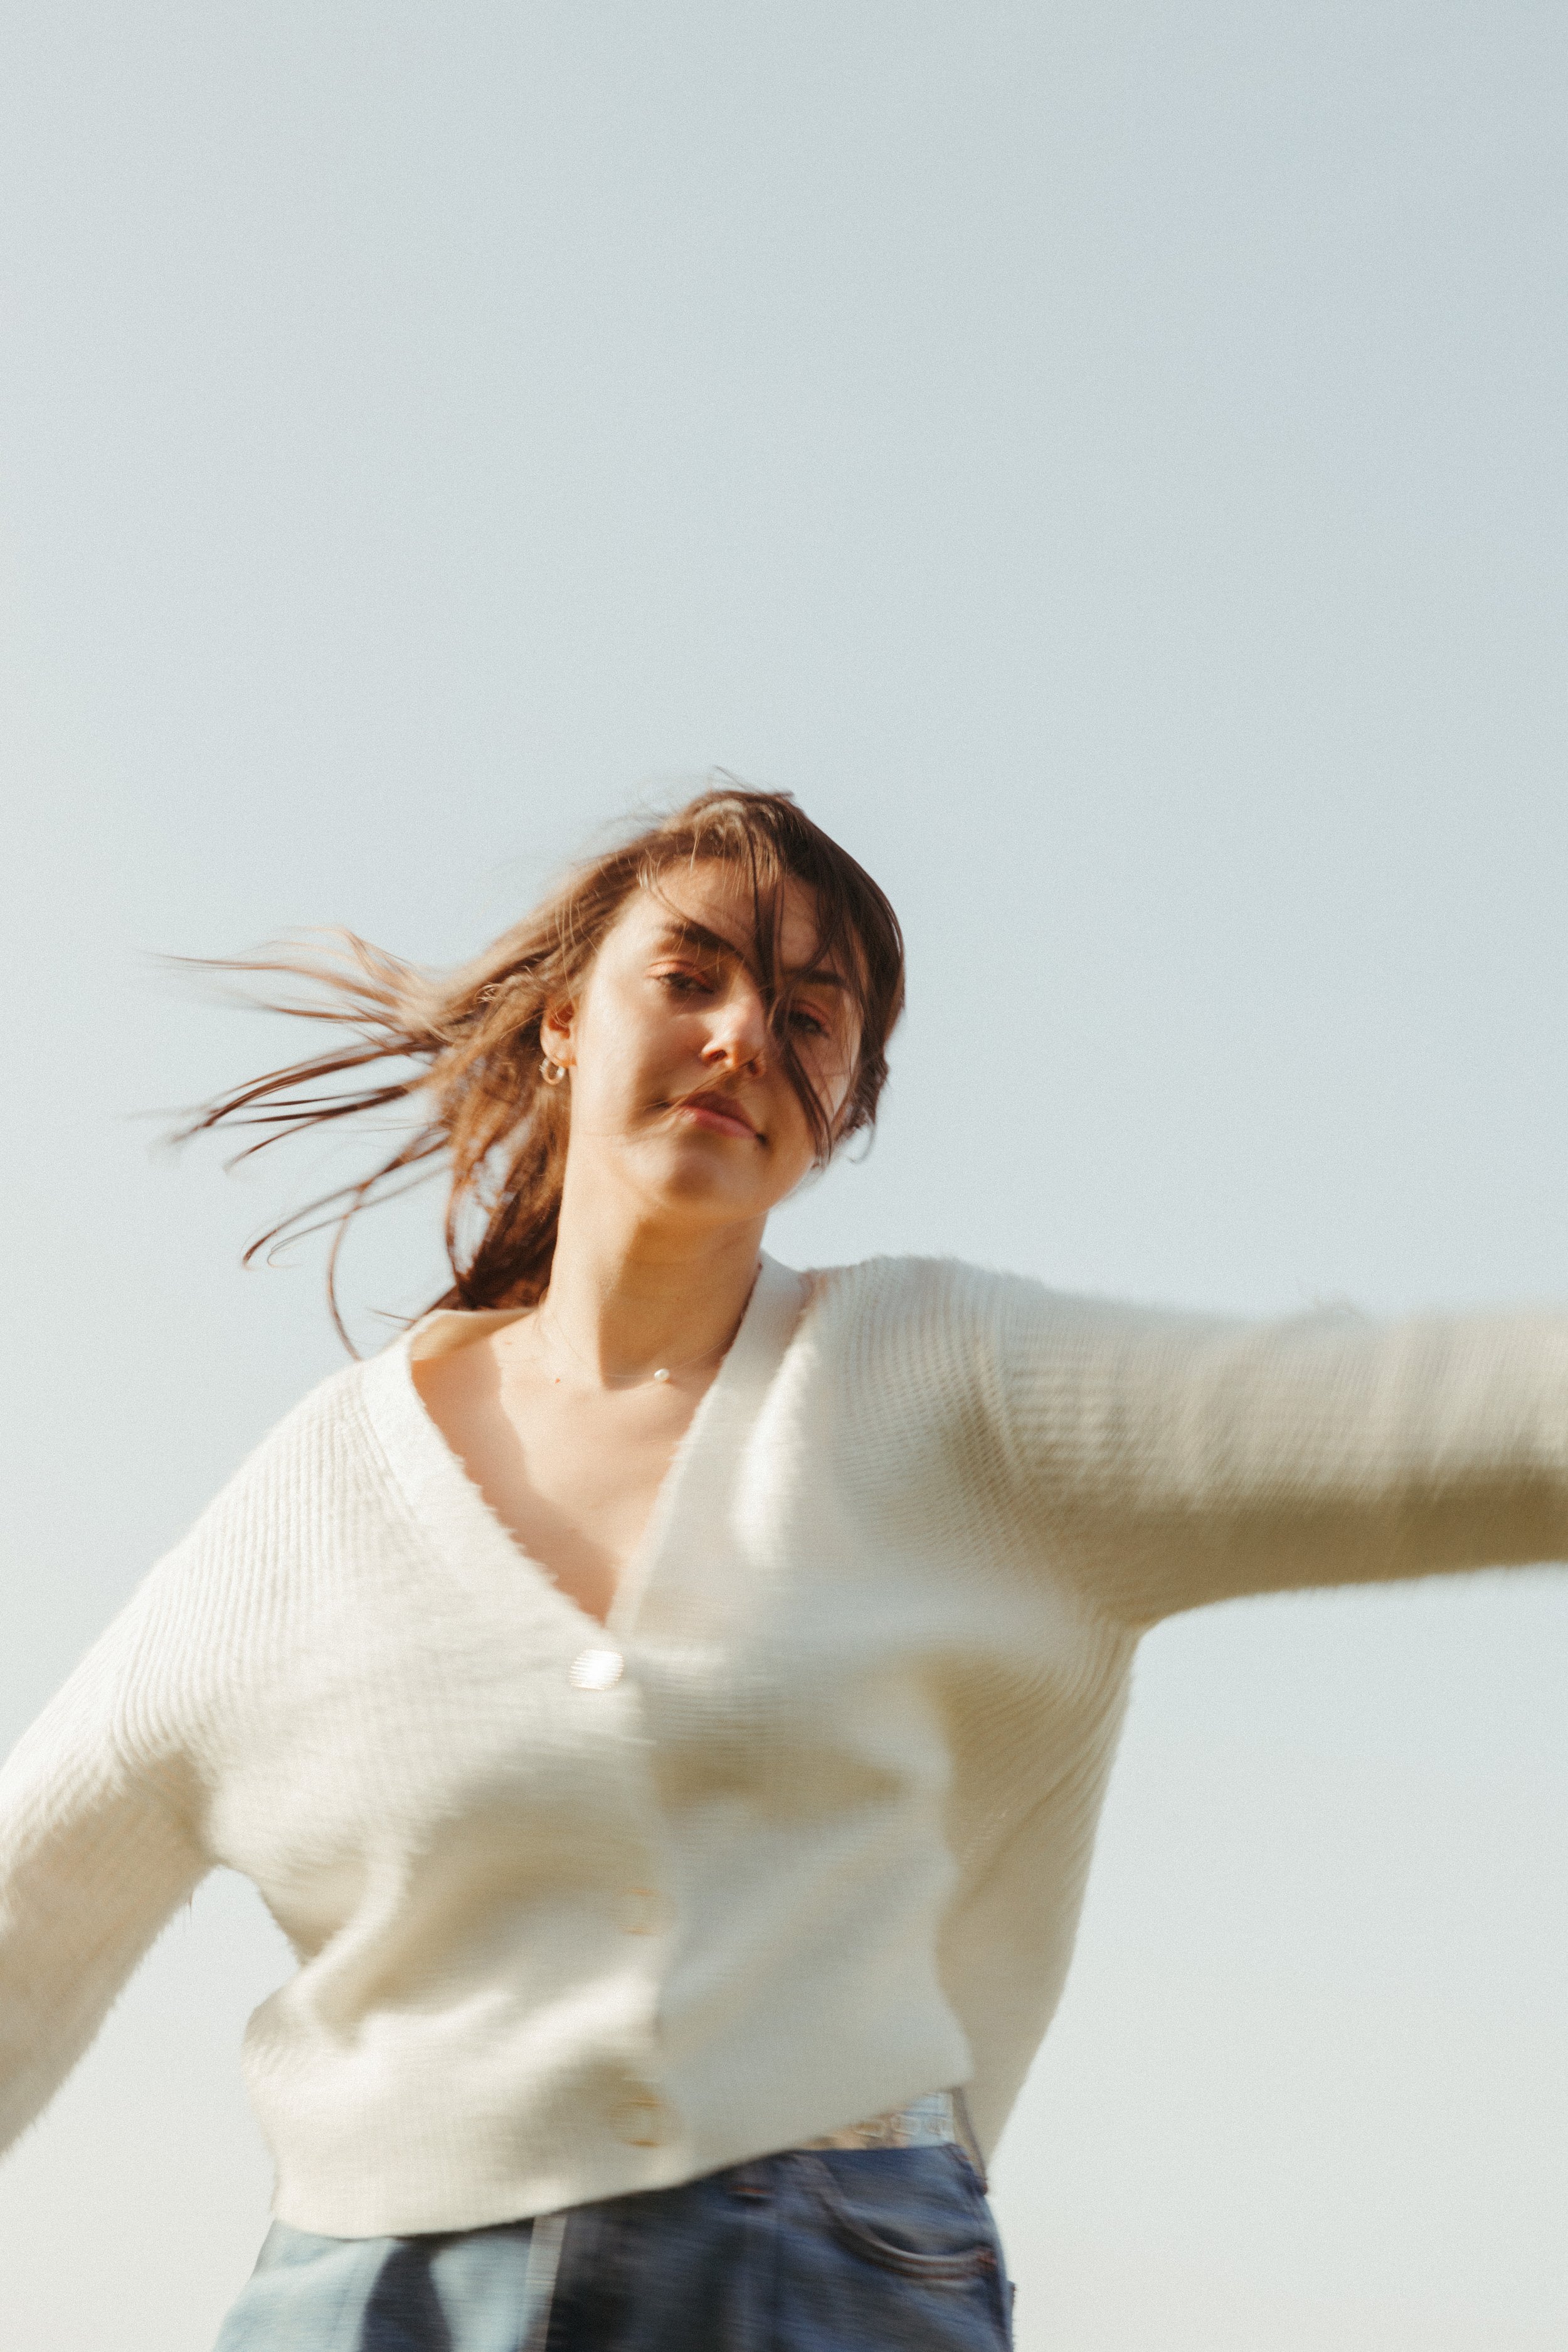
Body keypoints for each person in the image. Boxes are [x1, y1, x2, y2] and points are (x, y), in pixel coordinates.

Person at [2, 783, 1565, 2352]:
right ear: (562, 1024)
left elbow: (1409, 1424)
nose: (746, 1034)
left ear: (846, 1111)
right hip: (371, 2294)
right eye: (689, 979)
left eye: (810, 1018)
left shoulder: (950, 1388)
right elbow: (37, 1889)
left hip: (824, 2279)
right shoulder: (324, 1488)